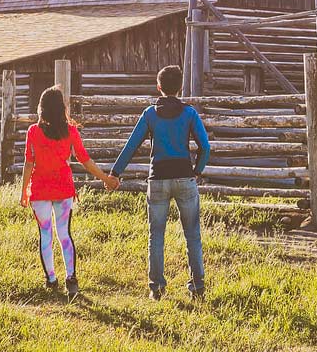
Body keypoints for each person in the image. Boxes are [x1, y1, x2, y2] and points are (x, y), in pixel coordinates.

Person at [108, 64, 211, 301]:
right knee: (192, 235)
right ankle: (197, 288)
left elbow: (131, 145)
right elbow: (205, 147)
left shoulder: (150, 114)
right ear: (180, 87)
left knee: (156, 235)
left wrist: (115, 172)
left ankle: (157, 288)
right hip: (185, 178)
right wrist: (197, 170)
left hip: (158, 181)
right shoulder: (189, 113)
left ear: (159, 87)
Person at [20, 85, 118, 300]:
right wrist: (106, 179)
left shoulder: (33, 132)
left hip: (40, 190)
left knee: (46, 235)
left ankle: (51, 279)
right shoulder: (70, 131)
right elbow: (85, 160)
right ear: (61, 108)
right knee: (64, 234)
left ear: (42, 109)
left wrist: (23, 192)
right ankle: (71, 279)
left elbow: (29, 163)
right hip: (63, 189)